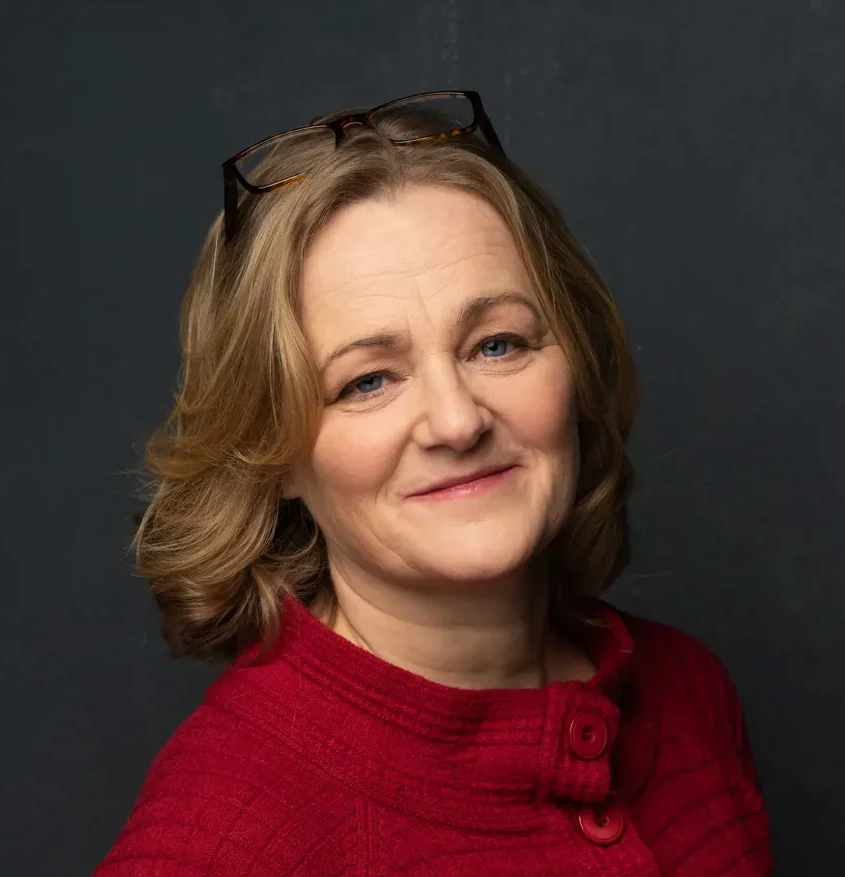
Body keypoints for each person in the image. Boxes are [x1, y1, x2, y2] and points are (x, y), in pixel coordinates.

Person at [93, 89, 773, 875]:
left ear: (575, 360)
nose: (457, 421)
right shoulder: (219, 842)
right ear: (270, 453)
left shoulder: (689, 690)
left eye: (497, 344)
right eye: (367, 380)